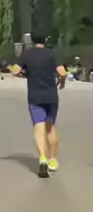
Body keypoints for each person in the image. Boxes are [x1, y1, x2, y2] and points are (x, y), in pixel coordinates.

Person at [10, 33, 67, 177]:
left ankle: (42, 157)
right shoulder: (51, 54)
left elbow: (15, 71)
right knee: (51, 127)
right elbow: (62, 72)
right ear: (46, 39)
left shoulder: (27, 55)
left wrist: (23, 74)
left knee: (39, 126)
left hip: (35, 96)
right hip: (51, 95)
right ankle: (53, 160)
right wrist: (61, 82)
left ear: (32, 40)